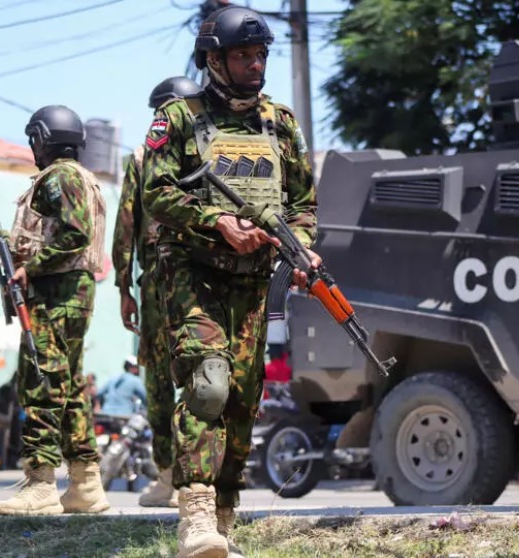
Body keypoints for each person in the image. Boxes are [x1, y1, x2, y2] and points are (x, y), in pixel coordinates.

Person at [140, 6, 319, 557]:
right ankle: (193, 515)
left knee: (242, 401)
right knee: (209, 384)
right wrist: (215, 221)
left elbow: (303, 204)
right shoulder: (178, 117)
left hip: (255, 282)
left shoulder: (280, 124)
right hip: (193, 276)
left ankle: (223, 519)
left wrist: (302, 250)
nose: (255, 64)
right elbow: (156, 192)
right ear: (214, 60)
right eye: (243, 55)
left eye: (261, 54)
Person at [0, 104, 110, 516]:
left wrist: (30, 268)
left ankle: (41, 482)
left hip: (57, 294)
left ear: (43, 138)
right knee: (70, 386)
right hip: (73, 293)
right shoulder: (85, 178)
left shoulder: (59, 177)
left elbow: (75, 233)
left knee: (40, 381)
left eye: (33, 141)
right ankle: (85, 484)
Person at [111, 75, 202, 508]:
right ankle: (193, 480)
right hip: (201, 281)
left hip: (163, 280)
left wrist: (122, 286)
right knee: (198, 376)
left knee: (166, 382)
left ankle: (172, 480)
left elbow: (126, 224)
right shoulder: (212, 152)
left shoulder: (145, 154)